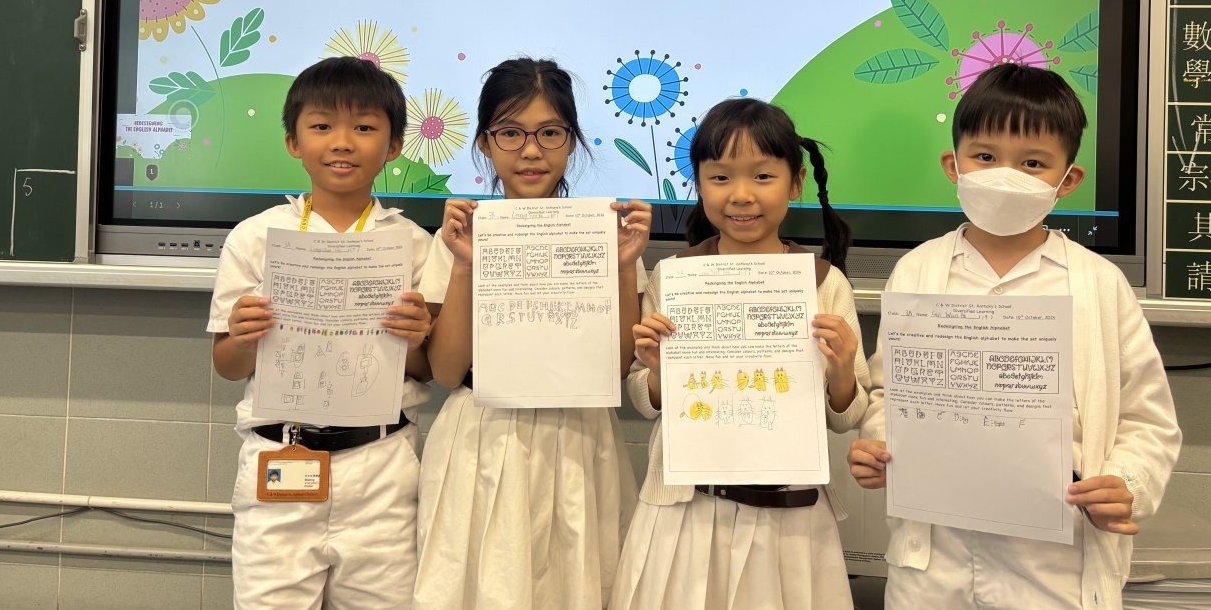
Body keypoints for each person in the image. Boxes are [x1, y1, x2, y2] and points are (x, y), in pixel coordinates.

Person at [847, 62, 1181, 610]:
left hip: (1056, 571)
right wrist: (881, 446)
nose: (1006, 176)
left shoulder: (1100, 284)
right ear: (954, 166)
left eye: (1032, 163)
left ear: (1067, 179)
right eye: (985, 157)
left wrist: (1127, 483)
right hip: (933, 567)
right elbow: (889, 394)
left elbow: (1148, 418)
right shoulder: (917, 271)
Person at [611, 96, 870, 610]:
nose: (742, 195)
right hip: (685, 508)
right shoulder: (674, 277)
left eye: (763, 176)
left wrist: (841, 370)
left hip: (789, 515)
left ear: (796, 182)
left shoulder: (824, 283)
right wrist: (658, 372)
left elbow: (847, 417)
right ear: (699, 183)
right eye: (721, 177)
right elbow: (646, 400)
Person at [413, 57, 652, 610]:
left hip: (579, 434)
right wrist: (466, 263)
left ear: (571, 140)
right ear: (484, 141)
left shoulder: (607, 235)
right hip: (482, 433)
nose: (530, 150)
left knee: (576, 586)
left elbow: (618, 367)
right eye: (510, 132)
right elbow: (446, 371)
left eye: (549, 133)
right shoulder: (458, 236)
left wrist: (623, 267)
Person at [208, 56, 433, 610]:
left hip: (381, 463)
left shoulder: (412, 243)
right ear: (293, 141)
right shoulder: (255, 236)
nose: (342, 142)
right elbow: (226, 365)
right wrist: (242, 336)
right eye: (322, 125)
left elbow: (428, 371)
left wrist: (416, 339)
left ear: (394, 146)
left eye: (364, 127)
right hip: (281, 456)